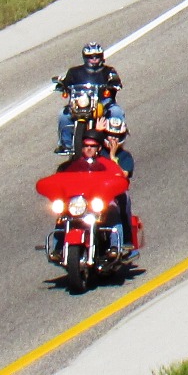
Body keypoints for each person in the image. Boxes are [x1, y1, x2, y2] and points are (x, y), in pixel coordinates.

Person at [51, 129, 129, 260]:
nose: (88, 149)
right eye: (86, 146)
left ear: (98, 148)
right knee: (62, 215)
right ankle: (57, 248)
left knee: (113, 210)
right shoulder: (72, 166)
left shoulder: (107, 164)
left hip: (98, 202)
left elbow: (119, 178)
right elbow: (60, 181)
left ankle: (115, 246)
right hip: (79, 203)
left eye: (92, 146)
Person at [54, 42, 125, 155]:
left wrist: (114, 83)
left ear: (101, 57)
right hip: (81, 102)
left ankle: (116, 139)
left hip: (103, 102)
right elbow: (67, 83)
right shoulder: (74, 71)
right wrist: (62, 85)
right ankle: (65, 144)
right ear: (85, 58)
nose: (94, 59)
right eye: (91, 57)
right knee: (64, 114)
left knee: (116, 111)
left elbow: (116, 81)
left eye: (97, 56)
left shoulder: (109, 71)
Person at [99, 116, 135, 247]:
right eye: (110, 135)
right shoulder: (96, 150)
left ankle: (122, 242)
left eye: (116, 136)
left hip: (114, 194)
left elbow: (123, 174)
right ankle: (60, 246)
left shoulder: (125, 157)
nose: (113, 139)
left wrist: (113, 157)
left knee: (121, 204)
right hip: (94, 191)